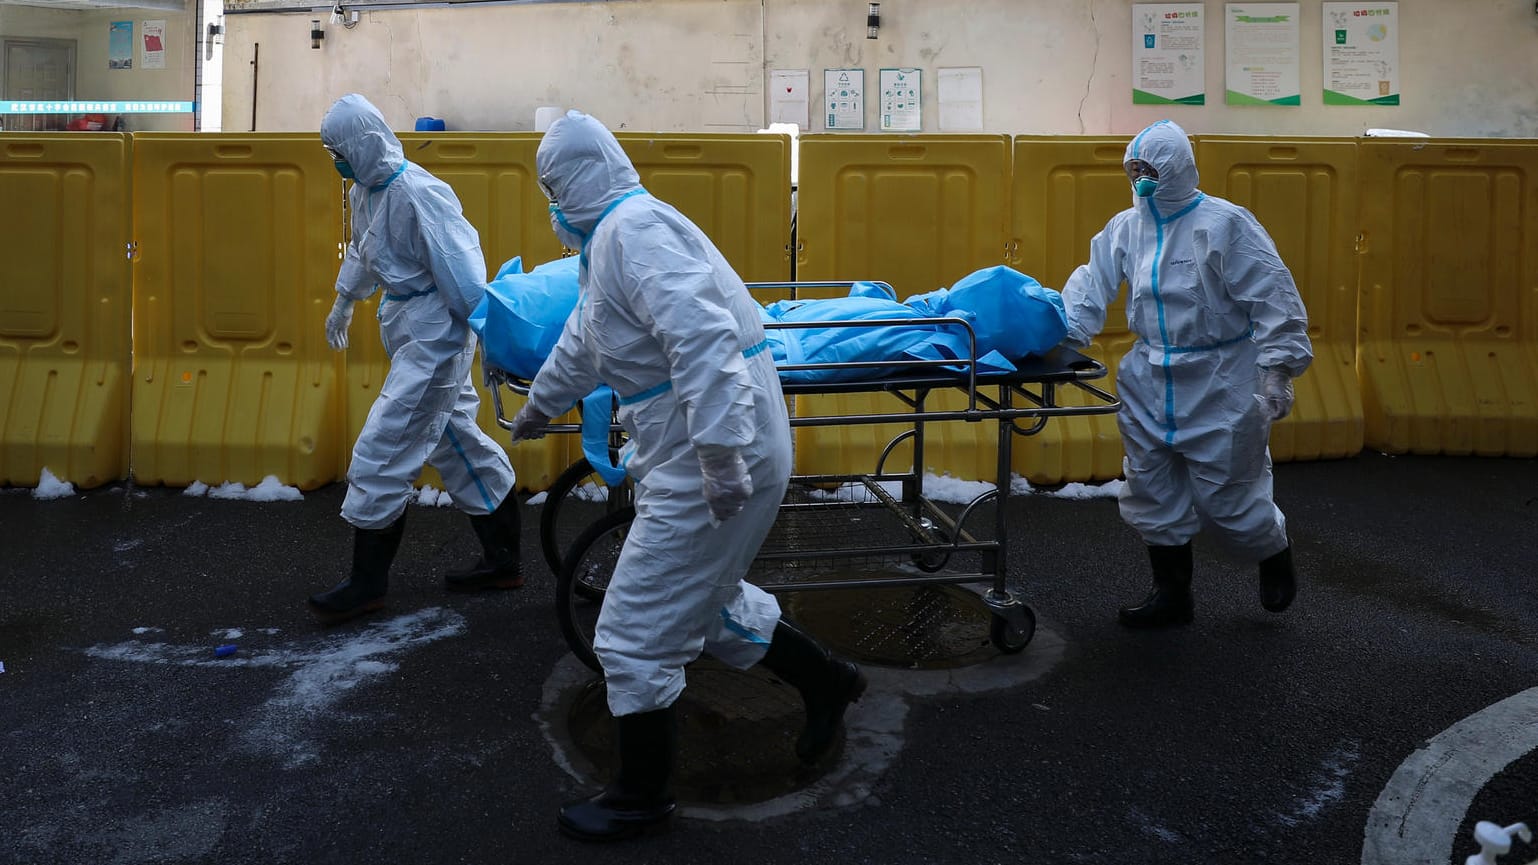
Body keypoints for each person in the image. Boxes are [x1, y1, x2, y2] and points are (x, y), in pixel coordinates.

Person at [508, 110, 867, 842]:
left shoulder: (632, 233)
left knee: (634, 628)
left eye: (550, 187)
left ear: (574, 182)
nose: (548, 205)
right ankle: (827, 680)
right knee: (705, 605)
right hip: (697, 443)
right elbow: (586, 336)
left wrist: (721, 453)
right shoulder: (614, 239)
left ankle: (641, 795)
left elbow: (704, 339)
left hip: (709, 446)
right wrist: (541, 405)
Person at [1060, 119, 1312, 629]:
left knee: (1229, 495)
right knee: (1150, 489)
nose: (1140, 179)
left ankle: (1272, 552)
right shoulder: (1125, 228)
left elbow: (1273, 295)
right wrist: (1064, 338)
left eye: (1150, 169)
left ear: (1177, 169)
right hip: (1149, 377)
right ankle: (1172, 595)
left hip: (1220, 378)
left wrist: (1278, 369)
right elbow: (1092, 282)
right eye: (1133, 169)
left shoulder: (1224, 224)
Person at [307, 93, 523, 625]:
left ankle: (367, 584)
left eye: (337, 147)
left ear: (361, 143)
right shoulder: (366, 190)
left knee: (383, 447)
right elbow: (362, 249)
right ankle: (504, 562)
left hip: (435, 339)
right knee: (456, 444)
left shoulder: (418, 194)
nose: (333, 157)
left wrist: (491, 342)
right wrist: (344, 300)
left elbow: (464, 276)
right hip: (408, 326)